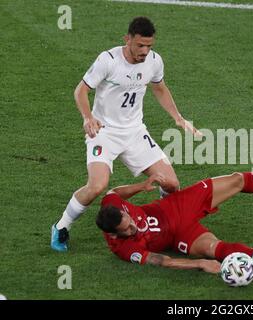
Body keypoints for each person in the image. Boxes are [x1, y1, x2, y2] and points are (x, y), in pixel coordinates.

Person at [51, 17, 202, 252]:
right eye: (140, 45)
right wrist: (88, 118)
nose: (145, 51)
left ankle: (167, 221)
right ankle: (61, 227)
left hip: (135, 132)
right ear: (128, 39)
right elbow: (81, 91)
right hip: (104, 132)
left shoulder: (154, 61)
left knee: (171, 184)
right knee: (97, 186)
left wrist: (178, 117)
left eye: (149, 46)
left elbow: (160, 88)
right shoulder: (108, 60)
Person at [96, 152, 253, 274]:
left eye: (129, 219)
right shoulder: (123, 249)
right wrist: (199, 264)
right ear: (115, 234)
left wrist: (142, 186)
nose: (133, 225)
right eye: (127, 229)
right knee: (211, 248)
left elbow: (114, 192)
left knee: (237, 180)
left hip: (176, 205)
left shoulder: (112, 205)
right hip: (179, 234)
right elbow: (161, 261)